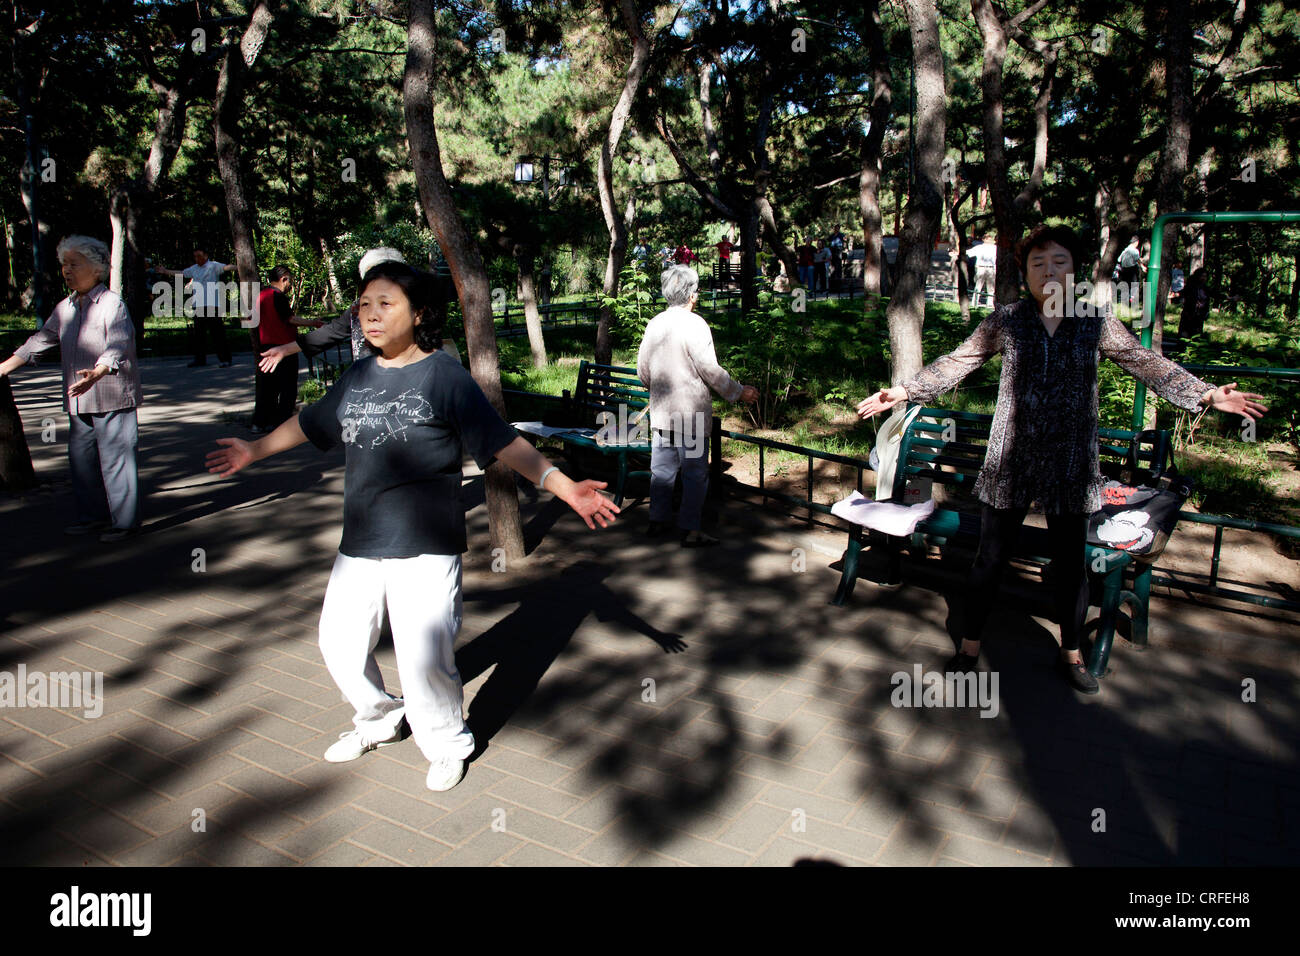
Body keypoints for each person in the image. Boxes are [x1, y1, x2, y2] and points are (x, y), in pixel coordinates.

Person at [206, 262, 619, 791]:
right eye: (365, 304)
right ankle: (379, 718)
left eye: (386, 304)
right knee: (339, 644)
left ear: (419, 313)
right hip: (360, 541)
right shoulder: (359, 374)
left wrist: (564, 485)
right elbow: (313, 423)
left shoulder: (444, 375)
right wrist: (254, 449)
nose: (370, 314)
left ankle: (448, 742)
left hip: (425, 544)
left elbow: (500, 441)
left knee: (425, 658)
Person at [855, 223, 1266, 696]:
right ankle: (969, 647)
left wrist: (1206, 394)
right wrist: (906, 390)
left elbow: (1145, 361)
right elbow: (959, 360)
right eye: (1038, 263)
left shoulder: (1095, 321)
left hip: (1071, 463)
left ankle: (1072, 654)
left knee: (1071, 565)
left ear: (1077, 270)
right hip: (1010, 459)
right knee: (989, 559)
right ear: (1025, 273)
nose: (1049, 271)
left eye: (1060, 261)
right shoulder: (1007, 320)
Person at [0, 235, 143, 542]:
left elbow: (119, 343)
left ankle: (125, 524)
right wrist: (4, 367)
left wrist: (100, 369)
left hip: (111, 395)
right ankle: (92, 518)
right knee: (81, 463)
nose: (66, 270)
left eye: (74, 264)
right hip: (79, 400)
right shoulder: (65, 307)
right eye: (64, 264)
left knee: (116, 461)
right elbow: (40, 340)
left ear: (97, 268)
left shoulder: (112, 304)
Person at [637, 266, 757, 547]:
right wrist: (739, 392)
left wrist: (655, 389)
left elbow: (643, 370)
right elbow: (710, 370)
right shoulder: (695, 325)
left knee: (662, 470)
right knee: (693, 474)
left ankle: (657, 520)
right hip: (690, 416)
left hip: (663, 413)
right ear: (691, 295)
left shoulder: (654, 323)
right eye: (697, 290)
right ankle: (691, 530)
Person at [258, 248, 462, 375]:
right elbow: (332, 331)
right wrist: (285, 349)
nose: (373, 315)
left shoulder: (436, 366)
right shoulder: (358, 306)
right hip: (370, 374)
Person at [249, 265, 322, 434]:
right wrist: (313, 322)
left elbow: (250, 319)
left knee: (266, 387)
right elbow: (290, 319)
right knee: (287, 387)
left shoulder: (260, 295)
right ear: (284, 279)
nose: (290, 285)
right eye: (289, 281)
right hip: (284, 348)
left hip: (265, 347)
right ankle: (282, 423)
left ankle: (259, 422)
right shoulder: (277, 296)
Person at [155, 246, 237, 367]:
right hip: (198, 306)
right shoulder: (194, 269)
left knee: (217, 334)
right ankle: (200, 360)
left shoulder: (213, 266)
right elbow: (182, 273)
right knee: (199, 335)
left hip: (211, 305)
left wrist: (238, 265)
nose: (197, 258)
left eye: (199, 256)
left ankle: (225, 359)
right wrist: (165, 271)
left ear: (206, 256)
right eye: (195, 256)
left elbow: (226, 267)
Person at [968, 234, 998, 308]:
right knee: (978, 285)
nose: (989, 240)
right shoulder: (979, 247)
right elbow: (968, 253)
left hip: (991, 268)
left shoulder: (995, 248)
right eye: (987, 238)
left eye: (990, 239)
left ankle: (990, 303)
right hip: (981, 268)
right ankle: (974, 302)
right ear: (983, 239)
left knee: (991, 287)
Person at [1117, 235, 1144, 308]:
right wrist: (1143, 267)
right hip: (1132, 270)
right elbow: (1137, 260)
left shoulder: (1124, 250)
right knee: (1134, 285)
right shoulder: (1135, 251)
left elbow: (1119, 260)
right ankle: (1131, 299)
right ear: (1137, 242)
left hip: (1123, 270)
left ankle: (1121, 301)